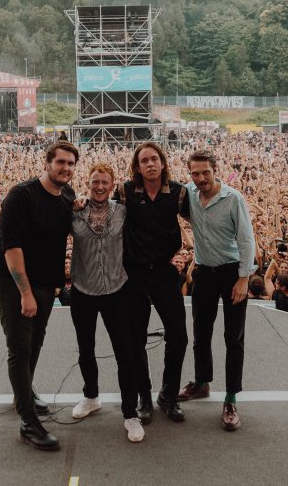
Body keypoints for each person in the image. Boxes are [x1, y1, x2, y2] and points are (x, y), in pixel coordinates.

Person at [0, 140, 78, 452]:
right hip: (15, 282)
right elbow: (10, 247)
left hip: (45, 283)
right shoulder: (21, 195)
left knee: (36, 341)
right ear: (47, 163)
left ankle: (23, 395)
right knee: (19, 347)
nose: (66, 168)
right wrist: (25, 292)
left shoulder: (68, 196)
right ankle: (28, 422)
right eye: (61, 162)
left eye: (70, 164)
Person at [177, 149, 256, 432]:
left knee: (233, 336)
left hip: (232, 271)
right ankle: (202, 382)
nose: (200, 179)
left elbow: (246, 240)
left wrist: (244, 278)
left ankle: (232, 398)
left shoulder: (233, 198)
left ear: (215, 170)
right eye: (195, 174)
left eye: (205, 173)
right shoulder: (189, 193)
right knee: (201, 332)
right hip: (204, 272)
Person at [69, 163, 142, 442]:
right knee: (86, 349)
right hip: (82, 290)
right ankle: (91, 396)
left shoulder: (123, 211)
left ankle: (130, 414)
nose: (99, 187)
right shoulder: (74, 211)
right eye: (95, 182)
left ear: (113, 186)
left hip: (116, 289)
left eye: (105, 183)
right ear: (87, 183)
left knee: (125, 353)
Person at [119, 142, 189, 424]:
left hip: (163, 271)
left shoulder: (179, 192)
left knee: (179, 336)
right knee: (135, 338)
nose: (150, 164)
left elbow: (202, 222)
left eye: (154, 159)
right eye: (144, 160)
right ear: (137, 166)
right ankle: (144, 396)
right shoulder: (124, 191)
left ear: (162, 162)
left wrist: (187, 253)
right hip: (133, 273)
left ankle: (168, 395)